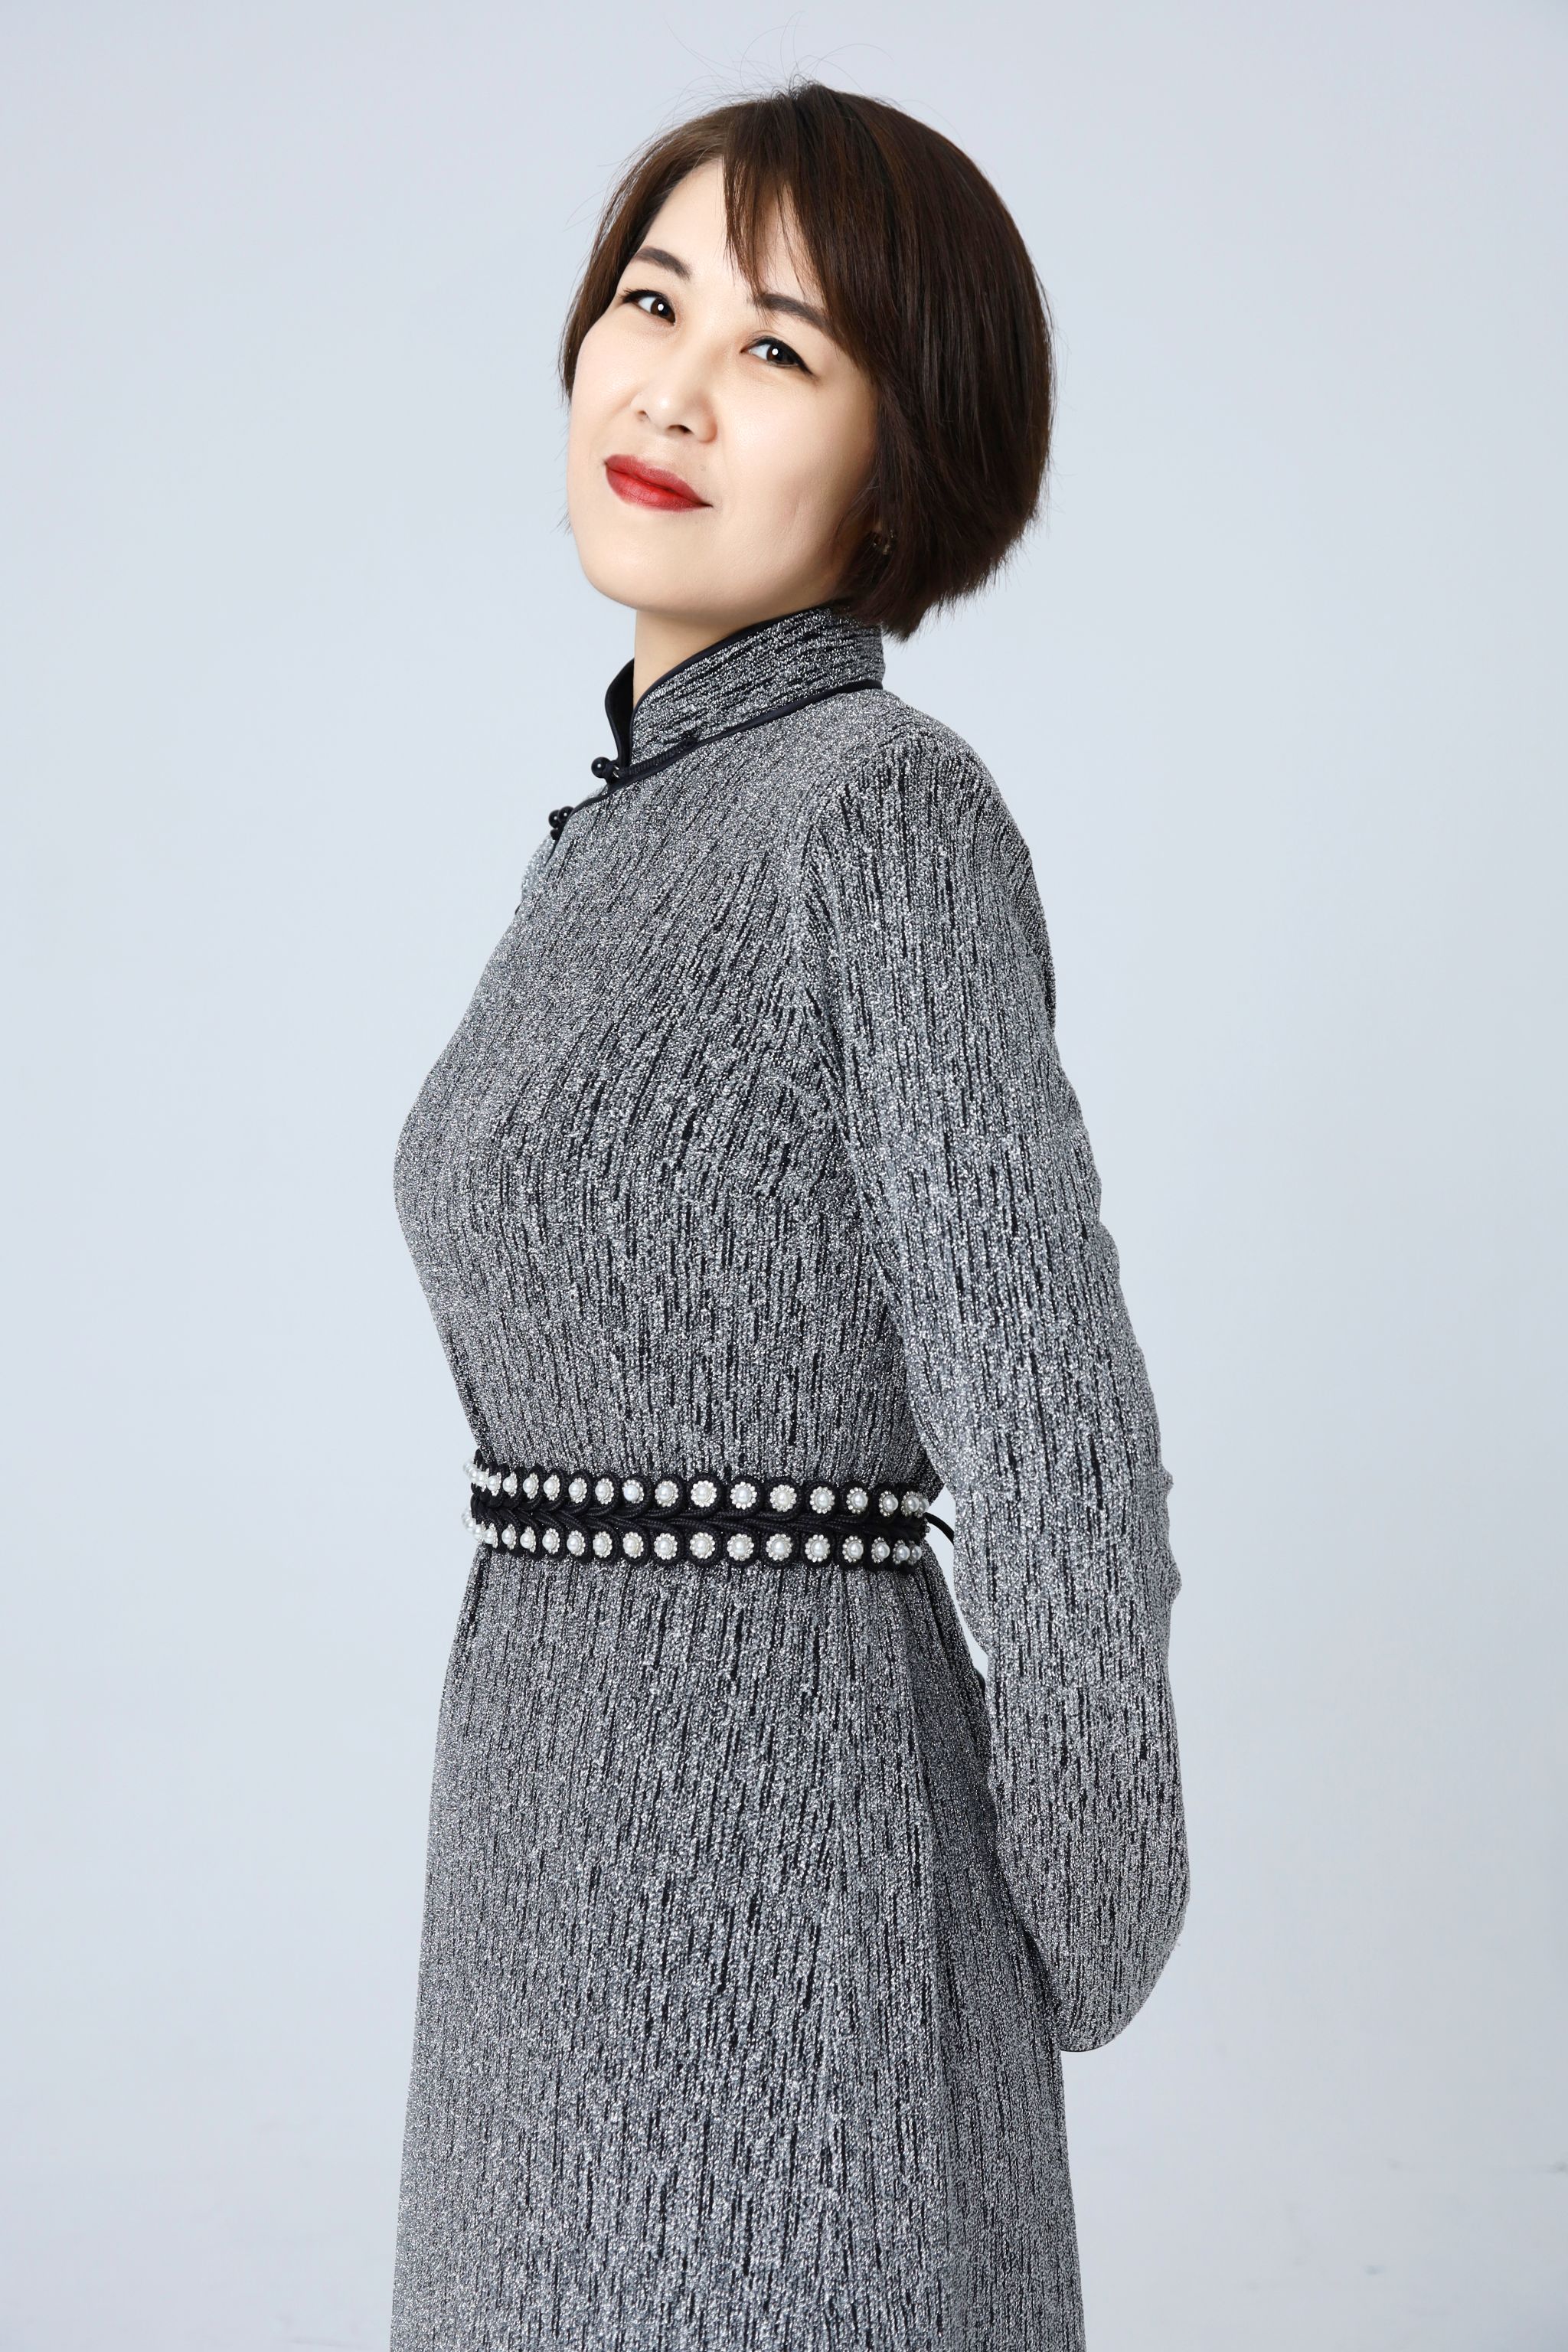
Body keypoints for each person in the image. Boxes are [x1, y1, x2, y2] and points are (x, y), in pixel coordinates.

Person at [389, 77, 1188, 2352]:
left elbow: (1049, 1412)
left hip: (805, 1881)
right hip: (543, 1855)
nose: (671, 389)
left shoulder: (876, 806)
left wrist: (1071, 1912)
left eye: (777, 348)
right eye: (650, 303)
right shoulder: (621, 829)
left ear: (900, 460)